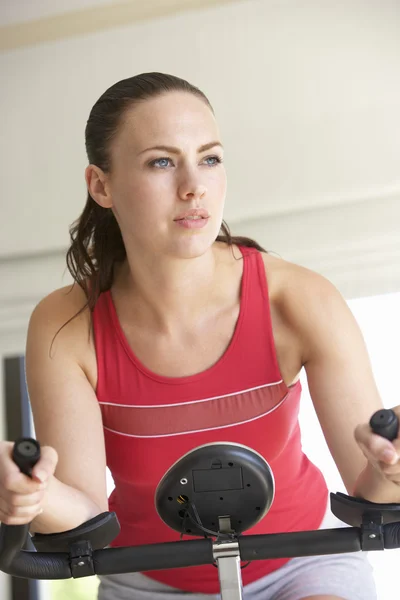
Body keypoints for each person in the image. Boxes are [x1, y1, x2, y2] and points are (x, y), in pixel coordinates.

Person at [0, 72, 399, 600]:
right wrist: (29, 494)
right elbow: (84, 518)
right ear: (102, 185)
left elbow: (373, 495)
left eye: (209, 158)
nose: (194, 185)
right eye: (161, 162)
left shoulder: (300, 300)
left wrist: (393, 466)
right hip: (148, 578)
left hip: (302, 565)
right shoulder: (68, 324)